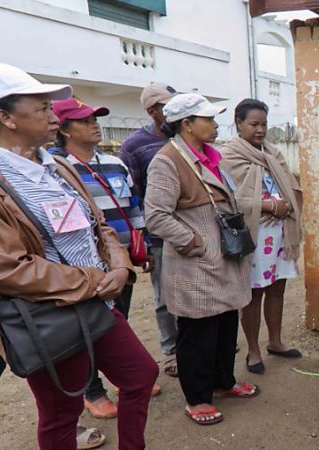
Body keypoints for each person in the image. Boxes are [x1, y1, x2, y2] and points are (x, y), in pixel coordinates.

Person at [0, 63, 157, 449]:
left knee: (140, 375)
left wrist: (119, 264)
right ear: (5, 117)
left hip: (96, 302)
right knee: (62, 413)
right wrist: (95, 281)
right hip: (49, 314)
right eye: (41, 107)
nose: (51, 114)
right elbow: (6, 269)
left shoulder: (56, 165)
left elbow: (100, 226)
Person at [145, 93, 259, 424]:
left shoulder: (213, 156)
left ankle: (223, 382)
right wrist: (193, 240)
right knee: (198, 332)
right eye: (207, 119)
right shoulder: (167, 161)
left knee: (225, 324)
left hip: (224, 257)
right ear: (187, 124)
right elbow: (156, 216)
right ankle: (196, 398)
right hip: (196, 262)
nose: (214, 124)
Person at [48, 97, 161, 418]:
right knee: (84, 329)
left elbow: (134, 207)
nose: (94, 125)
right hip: (82, 269)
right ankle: (91, 390)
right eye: (85, 121)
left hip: (121, 263)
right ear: (65, 129)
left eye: (95, 119)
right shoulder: (54, 168)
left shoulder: (115, 163)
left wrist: (144, 245)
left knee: (115, 321)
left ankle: (123, 376)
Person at [219, 99, 303, 375]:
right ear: (239, 124)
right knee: (253, 294)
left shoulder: (273, 153)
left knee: (278, 288)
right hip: (253, 236)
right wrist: (267, 206)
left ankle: (275, 341)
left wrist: (287, 205)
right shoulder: (229, 156)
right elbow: (228, 199)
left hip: (279, 233)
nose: (260, 129)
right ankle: (253, 351)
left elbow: (290, 185)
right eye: (254, 124)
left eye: (264, 124)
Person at [119, 83, 179, 378]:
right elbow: (132, 197)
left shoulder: (184, 136)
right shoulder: (134, 146)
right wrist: (142, 243)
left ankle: (194, 344)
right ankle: (171, 352)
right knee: (165, 297)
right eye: (169, 105)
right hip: (158, 236)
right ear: (152, 110)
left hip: (191, 233)